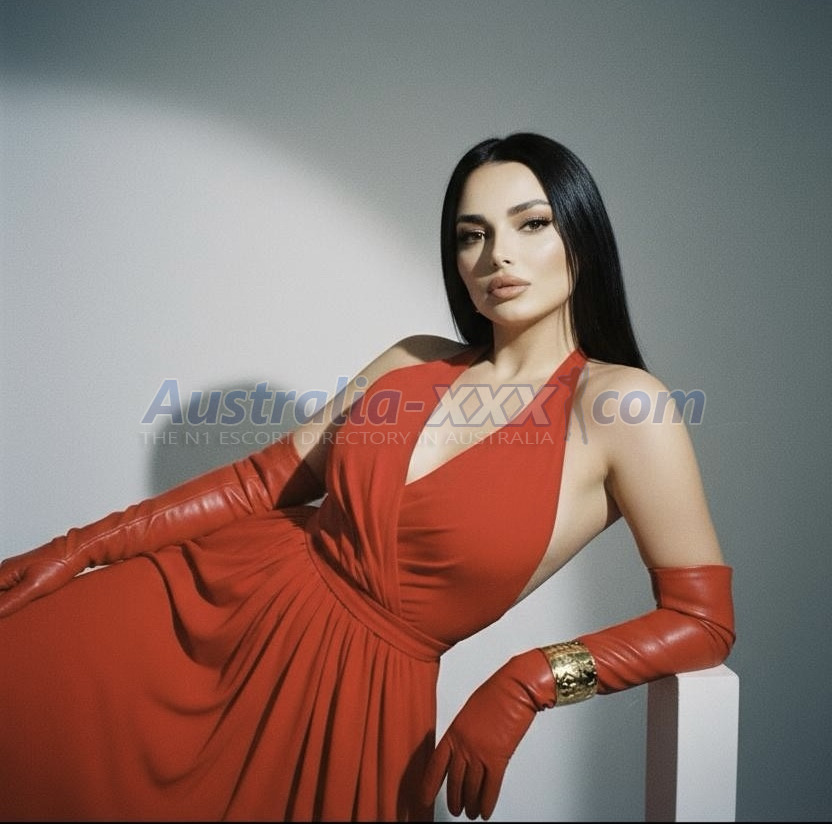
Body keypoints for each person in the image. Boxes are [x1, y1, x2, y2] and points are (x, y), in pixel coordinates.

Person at [0, 132, 734, 822]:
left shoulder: (624, 406)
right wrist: (81, 546)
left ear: (581, 236)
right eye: (472, 235)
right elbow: (263, 482)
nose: (497, 255)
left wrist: (534, 679)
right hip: (210, 618)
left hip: (355, 710)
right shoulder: (413, 360)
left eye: (531, 224)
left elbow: (703, 621)